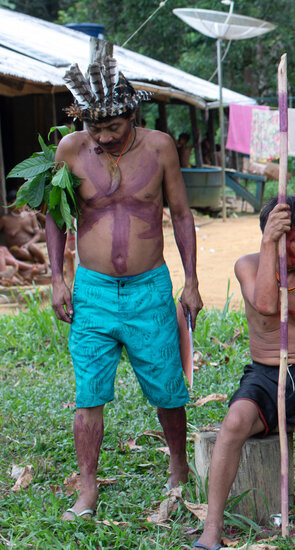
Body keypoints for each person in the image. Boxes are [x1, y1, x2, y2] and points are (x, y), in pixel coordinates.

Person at [46, 56, 202, 520]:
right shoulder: (70, 150)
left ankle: (178, 467)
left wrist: (192, 280)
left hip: (149, 288)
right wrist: (57, 278)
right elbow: (55, 216)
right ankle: (87, 487)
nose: (104, 137)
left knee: (168, 387)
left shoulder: (160, 148)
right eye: (95, 128)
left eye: (113, 126)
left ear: (133, 114)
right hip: (92, 291)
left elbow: (182, 214)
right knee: (88, 391)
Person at [194, 196, 295, 550]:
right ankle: (212, 525)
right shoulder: (247, 266)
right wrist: (269, 242)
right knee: (233, 424)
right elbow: (267, 304)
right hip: (267, 374)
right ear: (273, 237)